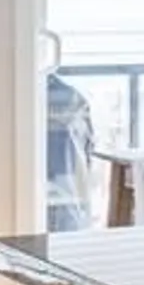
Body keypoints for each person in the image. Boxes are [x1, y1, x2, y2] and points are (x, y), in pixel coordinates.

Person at [42, 34, 102, 232]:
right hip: (66, 200)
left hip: (63, 198)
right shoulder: (70, 98)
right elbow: (87, 153)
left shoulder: (69, 98)